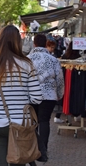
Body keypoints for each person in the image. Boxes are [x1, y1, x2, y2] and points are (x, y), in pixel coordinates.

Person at [0, 25, 42, 166]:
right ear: (18, 42)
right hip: (20, 124)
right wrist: (21, 98)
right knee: (19, 161)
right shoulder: (26, 64)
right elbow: (37, 97)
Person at [27, 34, 64, 163]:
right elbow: (59, 79)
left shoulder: (27, 59)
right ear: (45, 44)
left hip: (31, 95)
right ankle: (43, 151)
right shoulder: (53, 59)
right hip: (49, 95)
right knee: (44, 121)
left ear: (34, 44)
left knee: (32, 123)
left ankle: (32, 149)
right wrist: (60, 93)